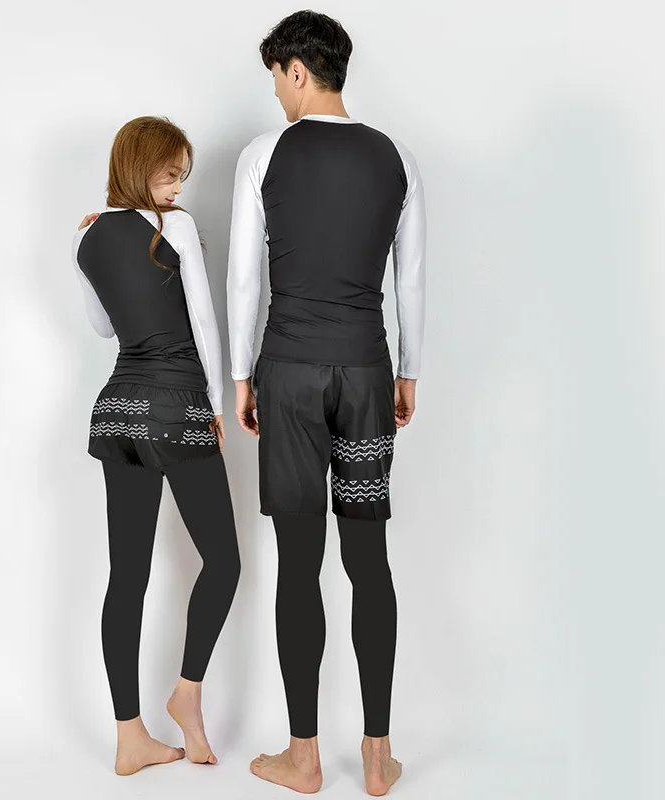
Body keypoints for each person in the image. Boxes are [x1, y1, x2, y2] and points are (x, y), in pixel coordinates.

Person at [226, 11, 426, 796]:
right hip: (368, 372)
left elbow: (246, 278)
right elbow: (409, 278)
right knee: (368, 560)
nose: (277, 94)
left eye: (277, 79)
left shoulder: (263, 154)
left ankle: (304, 757)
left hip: (288, 374)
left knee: (299, 562)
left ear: (297, 71)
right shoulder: (396, 156)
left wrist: (241, 377)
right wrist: (409, 371)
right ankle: (377, 756)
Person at [72, 116, 240, 775]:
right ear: (139, 166)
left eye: (182, 177)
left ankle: (129, 739)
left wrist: (99, 245)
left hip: (117, 412)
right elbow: (203, 318)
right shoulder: (177, 228)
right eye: (170, 173)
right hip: (175, 407)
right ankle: (186, 693)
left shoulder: (86, 238)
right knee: (223, 562)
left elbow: (102, 326)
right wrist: (216, 404)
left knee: (127, 577)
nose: (177, 187)